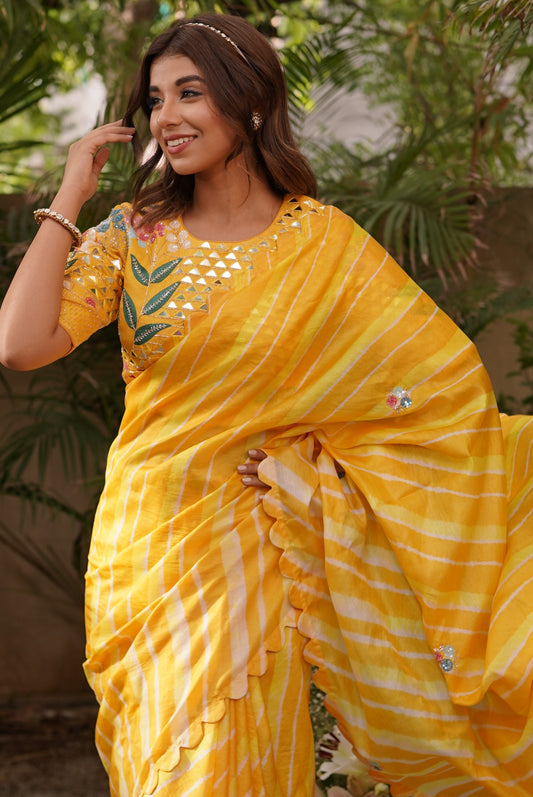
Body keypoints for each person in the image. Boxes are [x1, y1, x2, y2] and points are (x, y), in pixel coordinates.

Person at [0, 11, 532, 797]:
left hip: (253, 548)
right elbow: (19, 344)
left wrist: (311, 469)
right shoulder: (133, 237)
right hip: (146, 545)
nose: (167, 116)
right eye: (155, 99)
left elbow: (431, 390)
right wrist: (70, 195)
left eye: (190, 92)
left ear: (249, 102)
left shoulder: (323, 244)